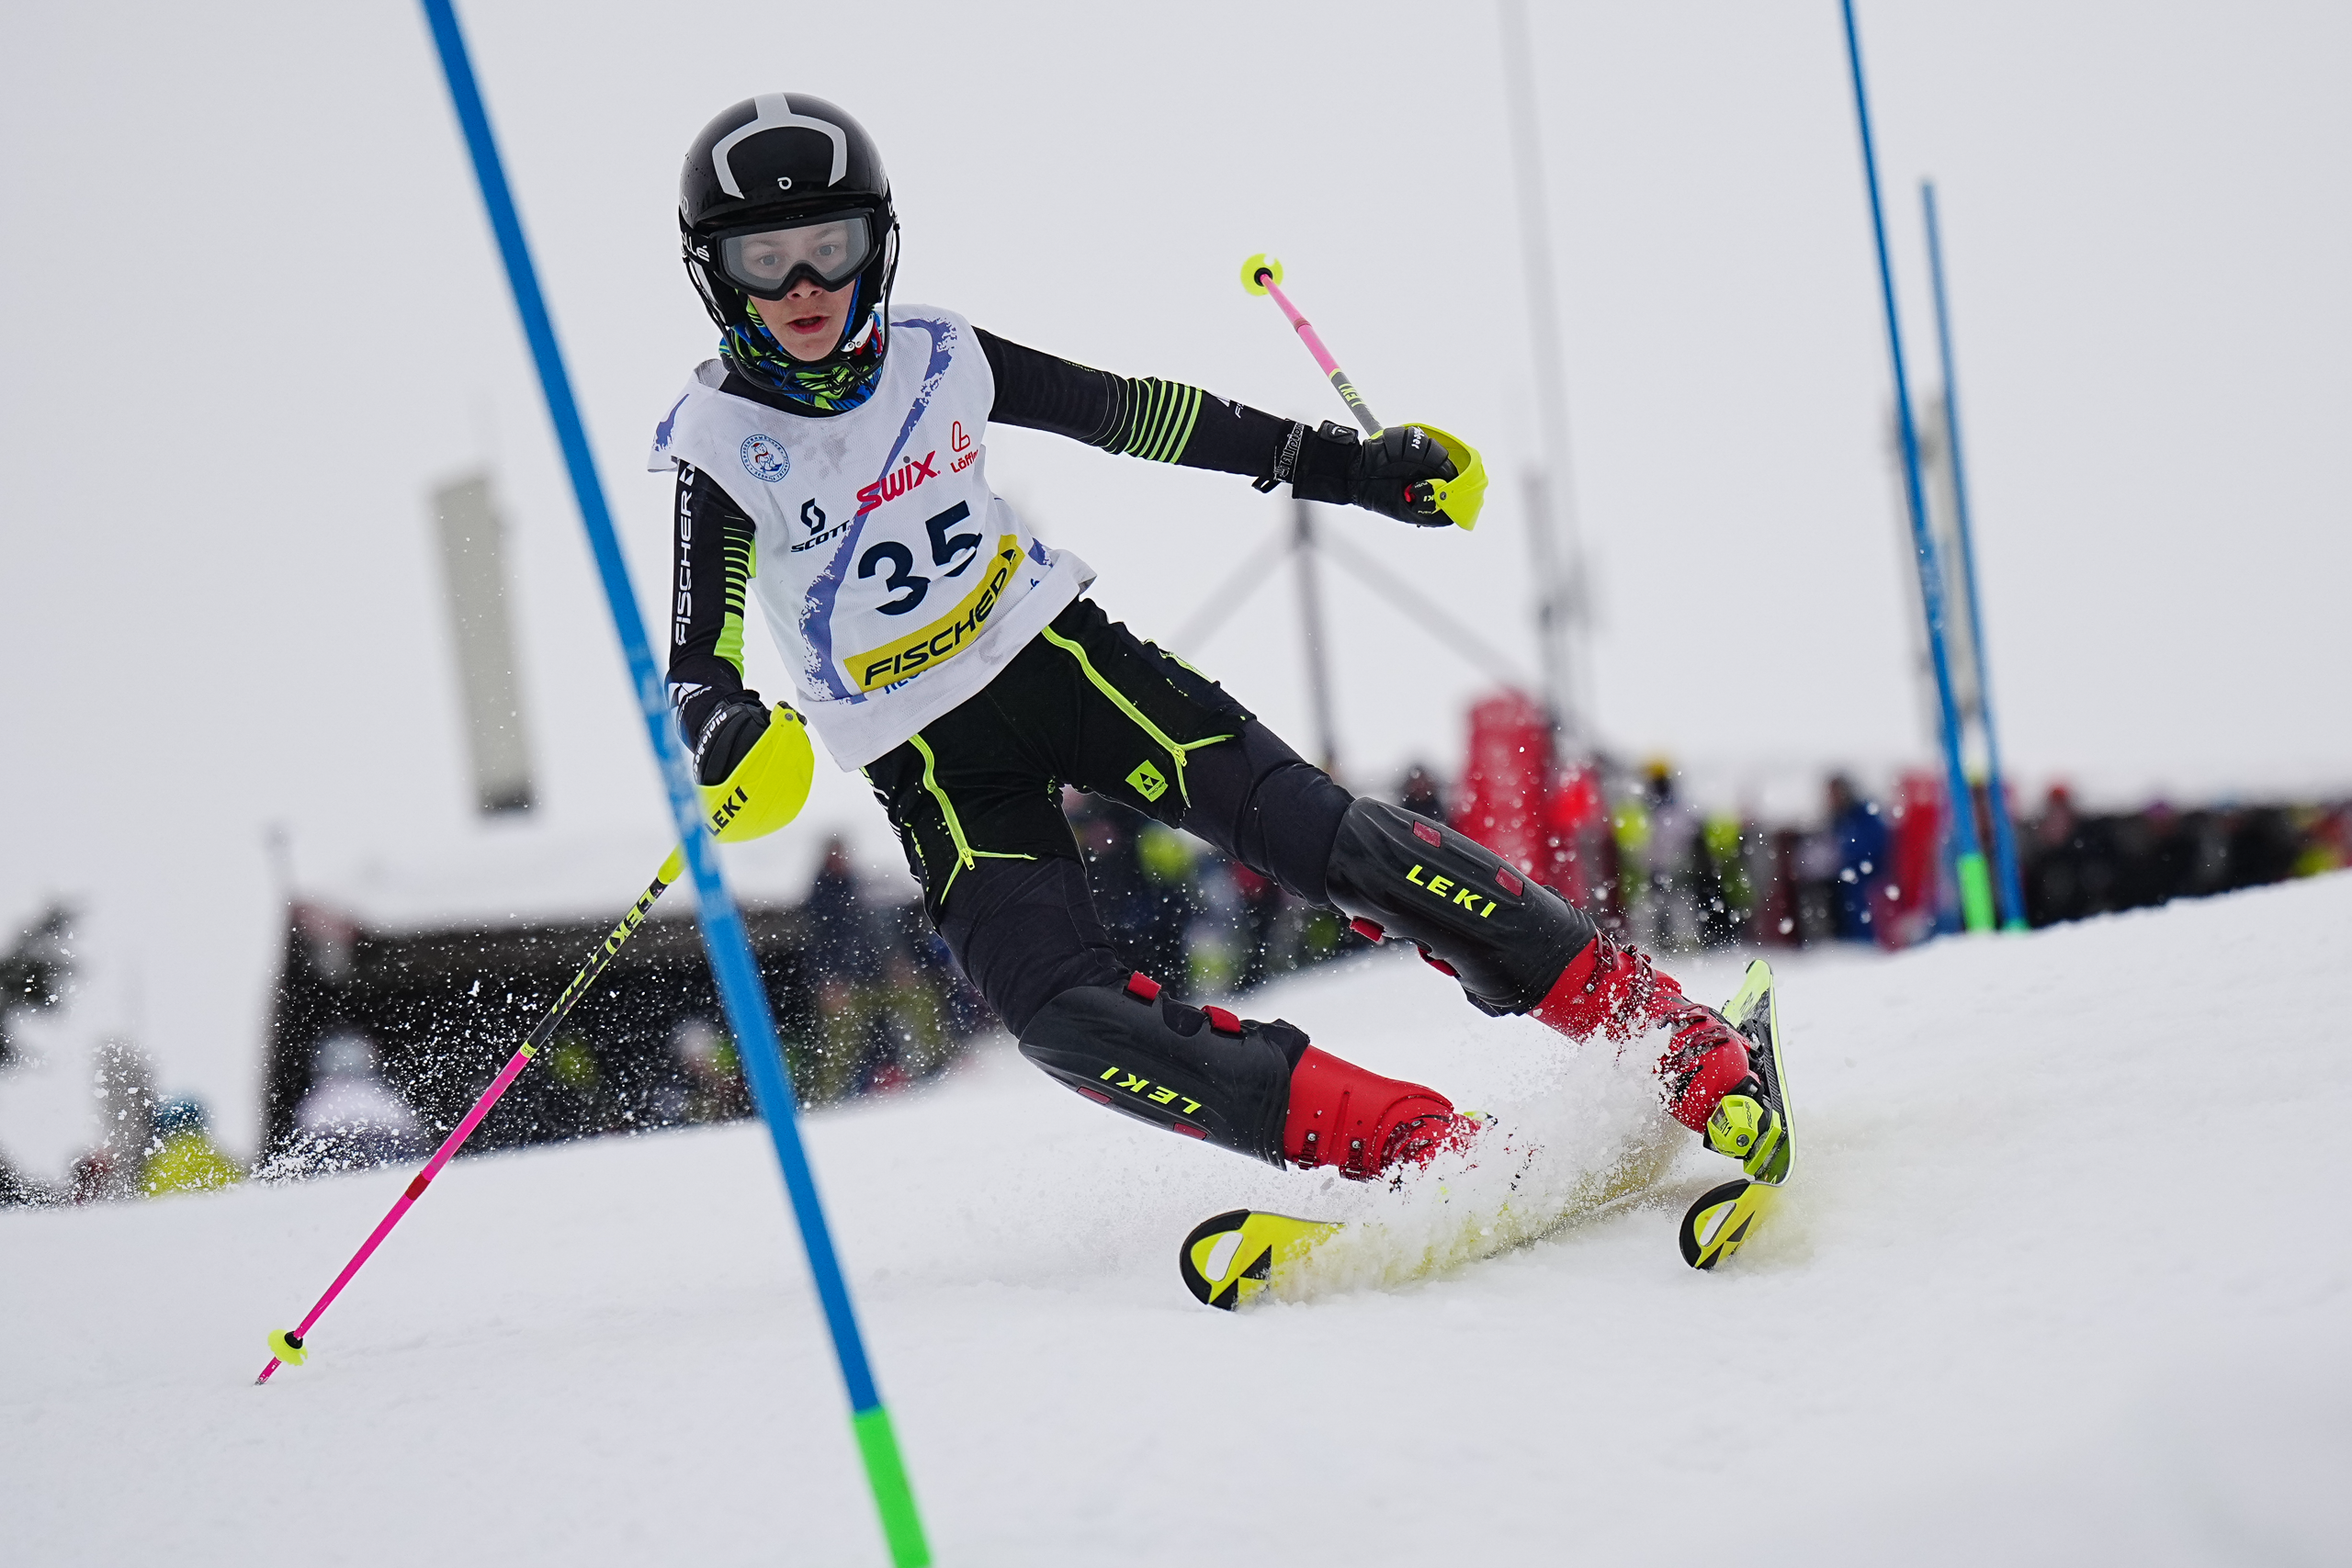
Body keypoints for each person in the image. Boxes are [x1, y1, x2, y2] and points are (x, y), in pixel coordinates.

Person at [651, 96, 1773, 1185]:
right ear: (717, 273)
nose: (803, 286)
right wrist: (723, 727)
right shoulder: (718, 442)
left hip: (1064, 664)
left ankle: (1662, 1030)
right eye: (765, 258)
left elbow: (1137, 414)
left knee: (1330, 841)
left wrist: (1345, 468)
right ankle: (1413, 1151)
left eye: (829, 246)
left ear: (877, 244)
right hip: (933, 760)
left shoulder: (940, 354)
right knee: (1058, 1016)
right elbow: (698, 660)